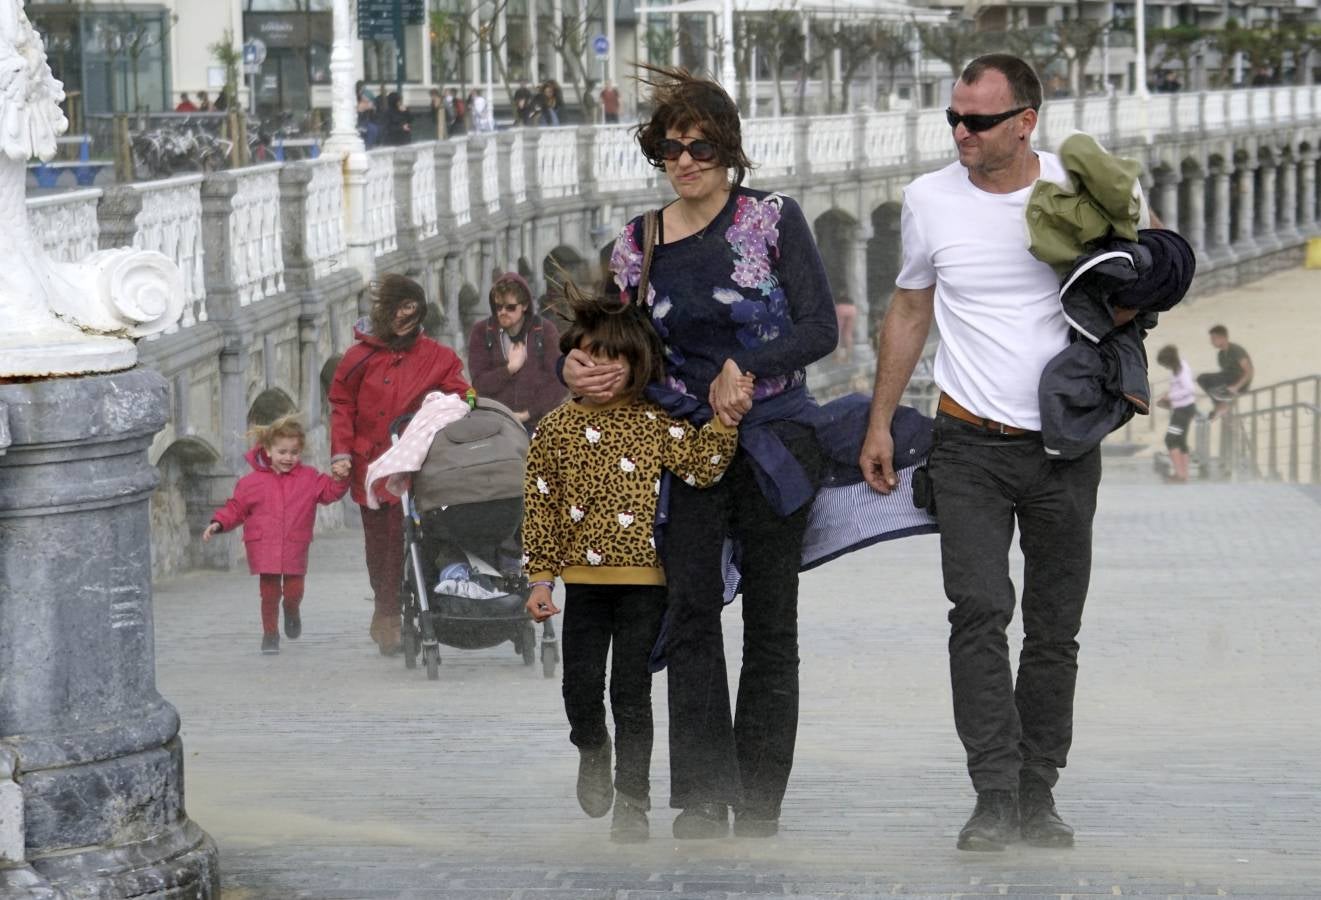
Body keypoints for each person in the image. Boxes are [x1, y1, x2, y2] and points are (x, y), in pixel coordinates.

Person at [859, 53, 1154, 852]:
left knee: (1054, 629)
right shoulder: (928, 199)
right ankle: (991, 793)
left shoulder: (1080, 186)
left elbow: (1148, 278)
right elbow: (911, 307)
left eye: (978, 120)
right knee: (979, 612)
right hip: (966, 445)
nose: (960, 131)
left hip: (1063, 446)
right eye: (952, 117)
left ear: (1025, 121)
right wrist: (881, 421)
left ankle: (1036, 789)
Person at [565, 66, 836, 840]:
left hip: (777, 438)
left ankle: (758, 799)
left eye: (699, 145)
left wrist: (743, 370)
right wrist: (577, 366)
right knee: (689, 613)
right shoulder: (635, 245)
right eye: (668, 147)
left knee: (771, 624)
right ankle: (702, 795)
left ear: (729, 148)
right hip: (681, 445)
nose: (683, 161)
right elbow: (615, 348)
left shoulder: (773, 221)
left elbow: (820, 329)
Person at [524, 280, 741, 844]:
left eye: (611, 358)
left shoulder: (655, 423)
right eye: (588, 356)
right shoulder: (555, 428)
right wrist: (540, 578)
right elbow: (541, 504)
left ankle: (633, 801)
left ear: (636, 363)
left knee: (631, 692)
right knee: (580, 686)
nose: (598, 368)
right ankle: (592, 748)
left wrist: (724, 422)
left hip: (646, 582)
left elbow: (701, 467)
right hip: (585, 586)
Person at [328, 275, 472, 656]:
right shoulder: (358, 358)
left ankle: (419, 604)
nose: (404, 318)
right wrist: (341, 452)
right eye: (397, 310)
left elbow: (461, 395)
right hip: (370, 464)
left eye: (411, 309)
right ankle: (385, 608)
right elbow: (341, 404)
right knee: (380, 544)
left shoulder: (438, 358)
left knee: (412, 536)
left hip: (417, 464)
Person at [202, 416, 348, 655]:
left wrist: (341, 479)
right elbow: (235, 508)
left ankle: (292, 611)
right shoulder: (251, 483)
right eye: (282, 452)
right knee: (269, 593)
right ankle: (270, 634)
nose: (288, 458)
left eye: (294, 452)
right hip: (264, 545)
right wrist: (218, 523)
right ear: (268, 450)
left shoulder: (309, 478)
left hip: (294, 544)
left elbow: (330, 492)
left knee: (294, 591)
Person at [466, 272, 566, 433]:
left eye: (510, 307)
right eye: (498, 307)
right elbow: (479, 383)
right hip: (496, 424)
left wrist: (529, 413)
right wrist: (509, 369)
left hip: (539, 423)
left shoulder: (544, 330)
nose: (503, 312)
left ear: (524, 306)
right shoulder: (482, 332)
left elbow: (558, 381)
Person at [1155, 344, 1197, 483]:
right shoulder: (1179, 368)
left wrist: (1170, 397)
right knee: (1181, 441)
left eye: (1164, 364)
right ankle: (1184, 475)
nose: (1165, 367)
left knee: (1171, 439)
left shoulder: (1181, 370)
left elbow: (1189, 389)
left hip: (1183, 410)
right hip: (1184, 408)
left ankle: (1179, 475)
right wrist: (1169, 398)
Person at [1196, 324, 1253, 419]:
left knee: (1211, 383)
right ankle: (1220, 405)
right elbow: (1223, 376)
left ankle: (1222, 406)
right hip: (1229, 380)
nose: (1211, 342)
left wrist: (1236, 386)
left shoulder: (1235, 350)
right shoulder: (1221, 355)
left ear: (1223, 338)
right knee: (1202, 379)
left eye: (1214, 338)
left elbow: (1249, 371)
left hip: (1241, 382)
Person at [834, 294, 857, 362]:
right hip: (852, 309)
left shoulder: (837, 297)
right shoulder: (849, 298)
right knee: (848, 334)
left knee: (837, 334)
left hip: (840, 308)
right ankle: (848, 358)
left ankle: (838, 357)